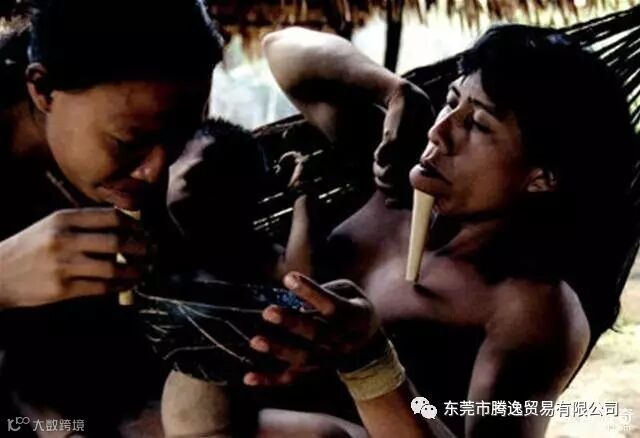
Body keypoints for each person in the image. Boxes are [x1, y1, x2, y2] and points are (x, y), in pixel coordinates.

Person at [231, 24, 637, 437]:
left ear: (542, 177)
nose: (439, 132)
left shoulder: (531, 306)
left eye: (479, 125)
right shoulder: (391, 168)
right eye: (451, 102)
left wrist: (370, 364)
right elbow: (282, 50)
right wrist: (395, 91)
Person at [0, 0, 222, 435]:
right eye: (127, 141)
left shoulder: (136, 165)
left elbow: (168, 281)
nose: (155, 171)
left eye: (179, 139)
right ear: (43, 90)